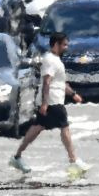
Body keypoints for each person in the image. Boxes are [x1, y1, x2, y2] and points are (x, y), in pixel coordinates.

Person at [9, 32, 90, 174]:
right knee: (65, 128)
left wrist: (73, 94)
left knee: (37, 127)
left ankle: (17, 157)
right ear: (55, 44)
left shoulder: (56, 60)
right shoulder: (50, 60)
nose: (66, 47)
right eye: (64, 44)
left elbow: (60, 83)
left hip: (54, 99)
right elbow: (47, 82)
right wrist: (45, 103)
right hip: (53, 101)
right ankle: (74, 161)